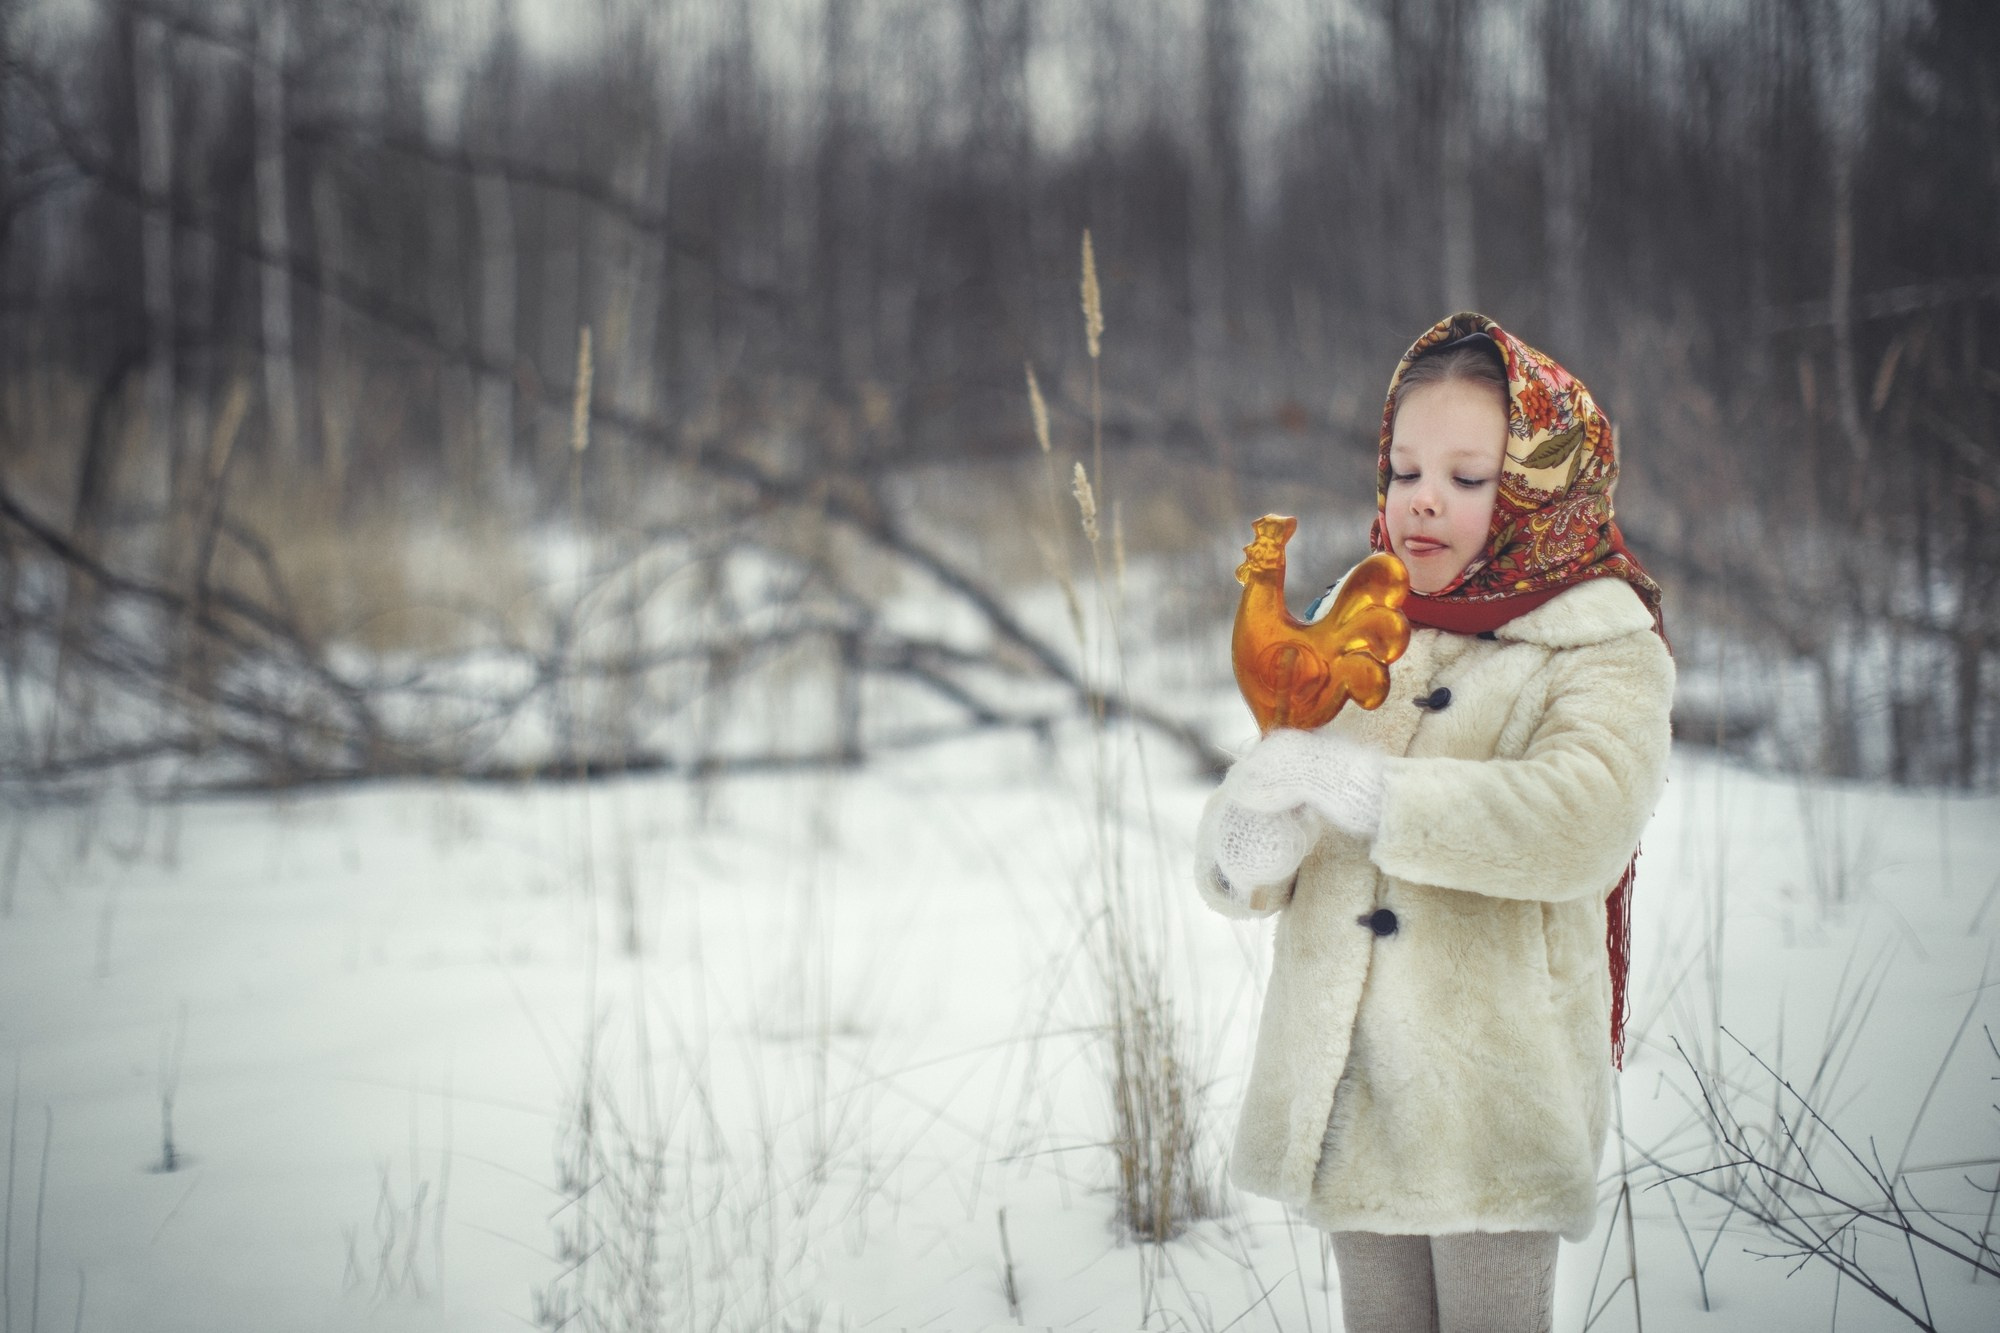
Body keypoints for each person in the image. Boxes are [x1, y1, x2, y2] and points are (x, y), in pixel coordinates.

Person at [1193, 312, 1674, 1333]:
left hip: (1490, 1100)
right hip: (1349, 1089)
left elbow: (1581, 818)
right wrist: (1253, 832)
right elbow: (1285, 794)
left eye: (1466, 477)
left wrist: (1365, 792)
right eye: (1404, 470)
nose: (1421, 499)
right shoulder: (1365, 615)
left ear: (1539, 487)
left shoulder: (1601, 643)